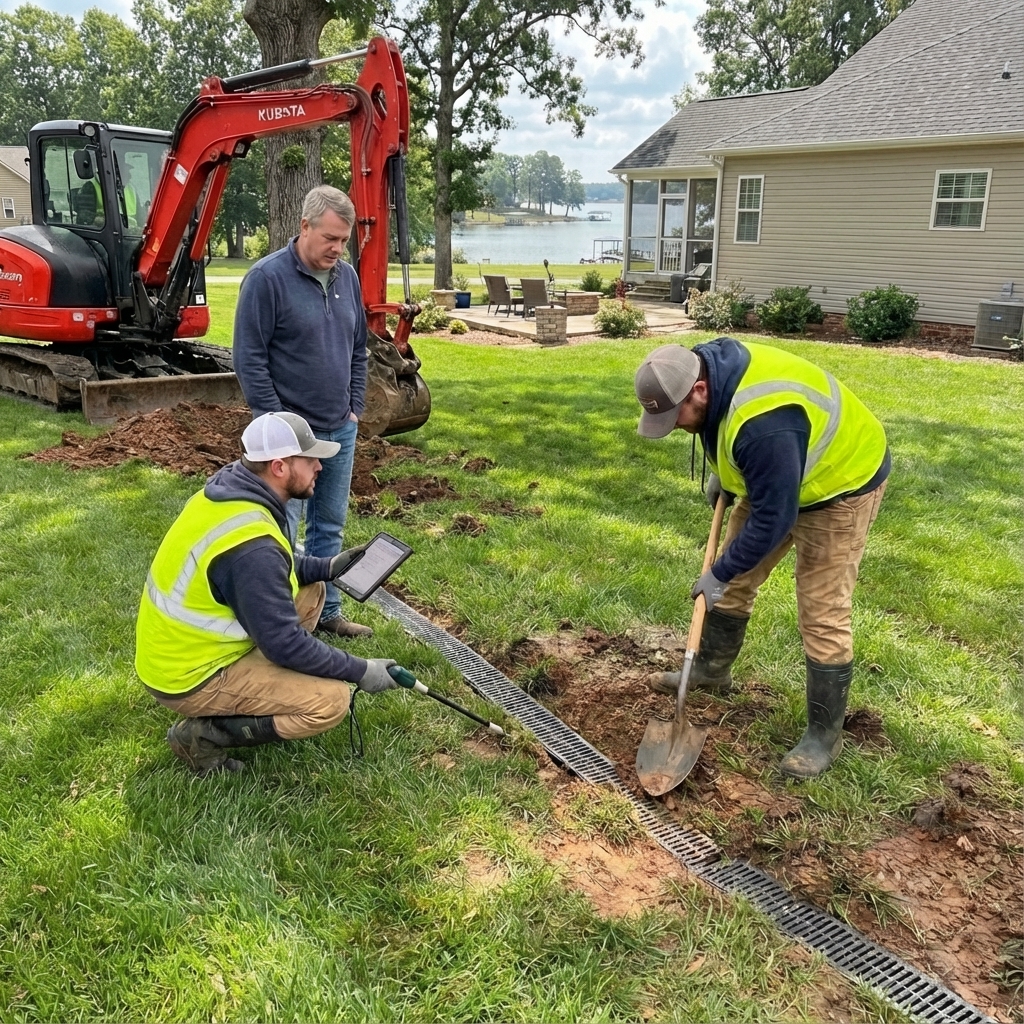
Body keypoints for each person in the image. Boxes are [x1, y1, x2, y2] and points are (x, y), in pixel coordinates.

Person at [634, 339, 890, 778]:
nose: (673, 426)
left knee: (822, 610)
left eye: (674, 416)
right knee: (733, 581)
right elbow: (726, 428)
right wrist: (727, 471)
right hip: (778, 472)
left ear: (698, 390)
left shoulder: (763, 424)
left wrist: (720, 571)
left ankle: (824, 736)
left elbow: (774, 516)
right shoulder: (703, 367)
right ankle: (711, 670)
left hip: (839, 486)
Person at [135, 411, 399, 776]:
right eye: (310, 459)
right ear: (279, 467)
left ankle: (267, 682)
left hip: (182, 651)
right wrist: (361, 670)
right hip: (190, 677)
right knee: (330, 701)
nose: (319, 467)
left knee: (312, 590)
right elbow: (284, 643)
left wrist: (327, 567)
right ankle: (202, 736)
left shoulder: (233, 491)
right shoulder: (251, 549)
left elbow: (276, 569)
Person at [233, 184, 371, 638]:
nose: (337, 249)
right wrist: (276, 424)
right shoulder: (266, 279)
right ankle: (285, 622)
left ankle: (326, 613)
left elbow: (359, 349)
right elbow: (249, 358)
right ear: (305, 226)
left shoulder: (347, 278)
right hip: (289, 438)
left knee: (329, 524)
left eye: (344, 240)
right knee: (282, 529)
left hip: (339, 427)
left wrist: (354, 406)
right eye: (330, 238)